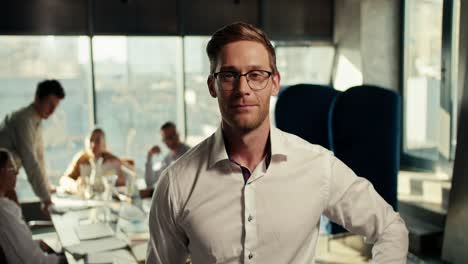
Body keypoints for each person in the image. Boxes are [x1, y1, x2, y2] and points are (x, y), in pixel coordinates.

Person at [146, 22, 408, 263]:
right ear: (212, 85)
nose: (243, 88)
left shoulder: (317, 165)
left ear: (274, 83)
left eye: (256, 74)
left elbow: (389, 228)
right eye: (228, 75)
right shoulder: (176, 184)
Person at [0, 80, 65, 213]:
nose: (52, 111)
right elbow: (30, 161)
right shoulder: (24, 120)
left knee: (15, 221)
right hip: (2, 180)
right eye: (50, 104)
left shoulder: (36, 121)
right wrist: (46, 198)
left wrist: (47, 188)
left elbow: (40, 158)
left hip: (5, 182)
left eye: (55, 106)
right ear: (37, 98)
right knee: (13, 222)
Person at [0, 148, 65, 264]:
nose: (17, 172)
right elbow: (35, 261)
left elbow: (17, 245)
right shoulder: (5, 213)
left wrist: (38, 244)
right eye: (11, 167)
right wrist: (64, 260)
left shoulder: (6, 206)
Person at [60, 128, 126, 194]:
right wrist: (76, 186)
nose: (93, 145)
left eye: (97, 141)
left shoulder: (113, 160)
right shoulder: (81, 160)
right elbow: (64, 180)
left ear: (104, 143)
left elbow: (124, 182)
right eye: (91, 140)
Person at [144, 122, 190, 188]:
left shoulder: (189, 154)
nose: (170, 142)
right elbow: (150, 182)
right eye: (166, 139)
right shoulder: (167, 158)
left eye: (172, 137)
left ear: (178, 134)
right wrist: (149, 156)